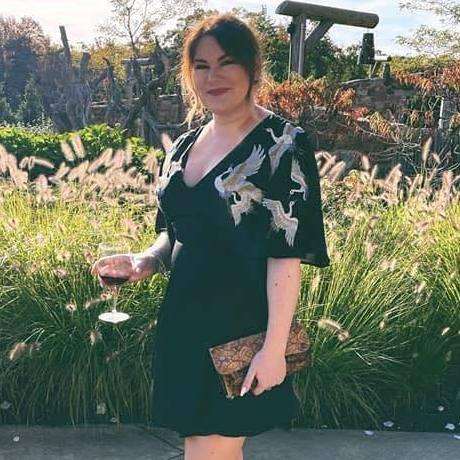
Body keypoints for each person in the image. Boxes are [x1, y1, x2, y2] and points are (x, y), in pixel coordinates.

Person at [91, 12, 330, 460]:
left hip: (240, 326)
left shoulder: (281, 144)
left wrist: (273, 348)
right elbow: (176, 233)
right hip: (183, 324)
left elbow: (286, 254)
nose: (212, 77)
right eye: (201, 66)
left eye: (226, 63)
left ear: (252, 67)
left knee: (209, 451)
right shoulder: (184, 146)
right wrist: (145, 260)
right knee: (204, 447)